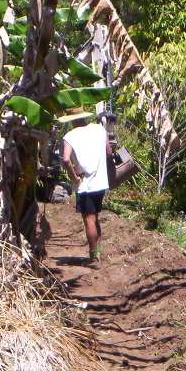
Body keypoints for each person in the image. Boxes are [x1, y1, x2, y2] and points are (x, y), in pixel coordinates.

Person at [62, 113, 112, 264]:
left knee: (89, 219)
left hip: (85, 185)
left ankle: (93, 257)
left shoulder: (70, 136)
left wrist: (74, 176)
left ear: (71, 120)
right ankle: (98, 252)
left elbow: (65, 159)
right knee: (95, 216)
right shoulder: (99, 129)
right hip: (101, 183)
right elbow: (109, 152)